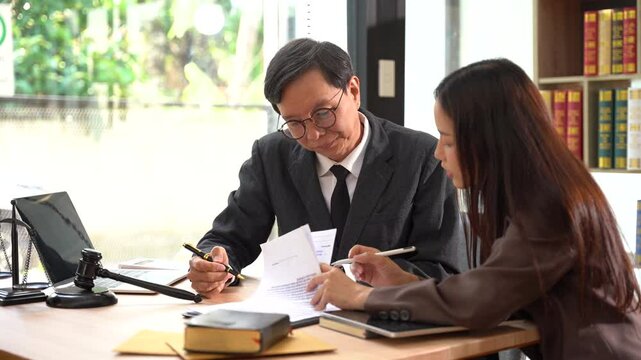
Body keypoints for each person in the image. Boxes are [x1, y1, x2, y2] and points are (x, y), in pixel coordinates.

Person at [307, 58, 641, 359]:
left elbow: (480, 301)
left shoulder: (548, 207)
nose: (439, 154)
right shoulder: (536, 191)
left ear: (490, 141)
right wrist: (400, 282)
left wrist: (358, 297)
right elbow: (489, 290)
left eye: (448, 140)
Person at [187, 38, 465, 298]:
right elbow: (230, 237)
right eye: (295, 123)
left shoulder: (422, 158)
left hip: (386, 327)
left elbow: (445, 273)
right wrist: (212, 262)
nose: (313, 135)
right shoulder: (272, 155)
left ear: (353, 91)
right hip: (302, 325)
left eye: (323, 113)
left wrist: (368, 282)